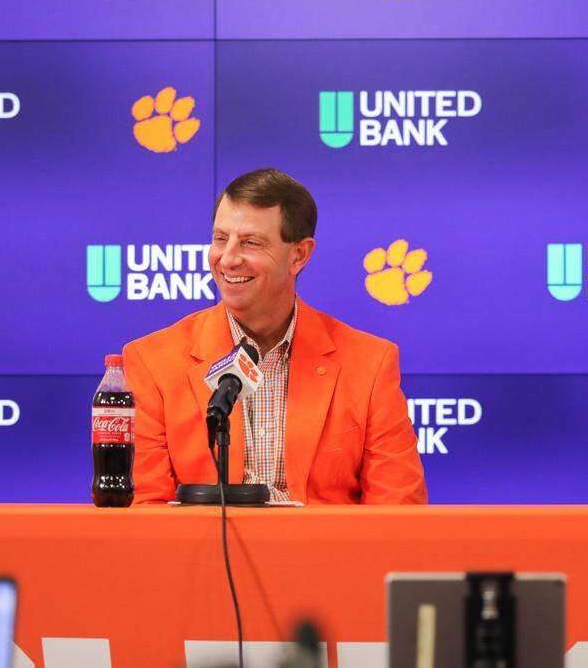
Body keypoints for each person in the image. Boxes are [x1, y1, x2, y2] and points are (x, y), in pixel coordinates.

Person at [123, 168, 427, 505]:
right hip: (202, 556)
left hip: (326, 555)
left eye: (251, 243)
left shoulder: (370, 363)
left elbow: (398, 507)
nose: (228, 258)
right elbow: (142, 509)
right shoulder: (152, 362)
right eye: (221, 239)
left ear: (299, 255)